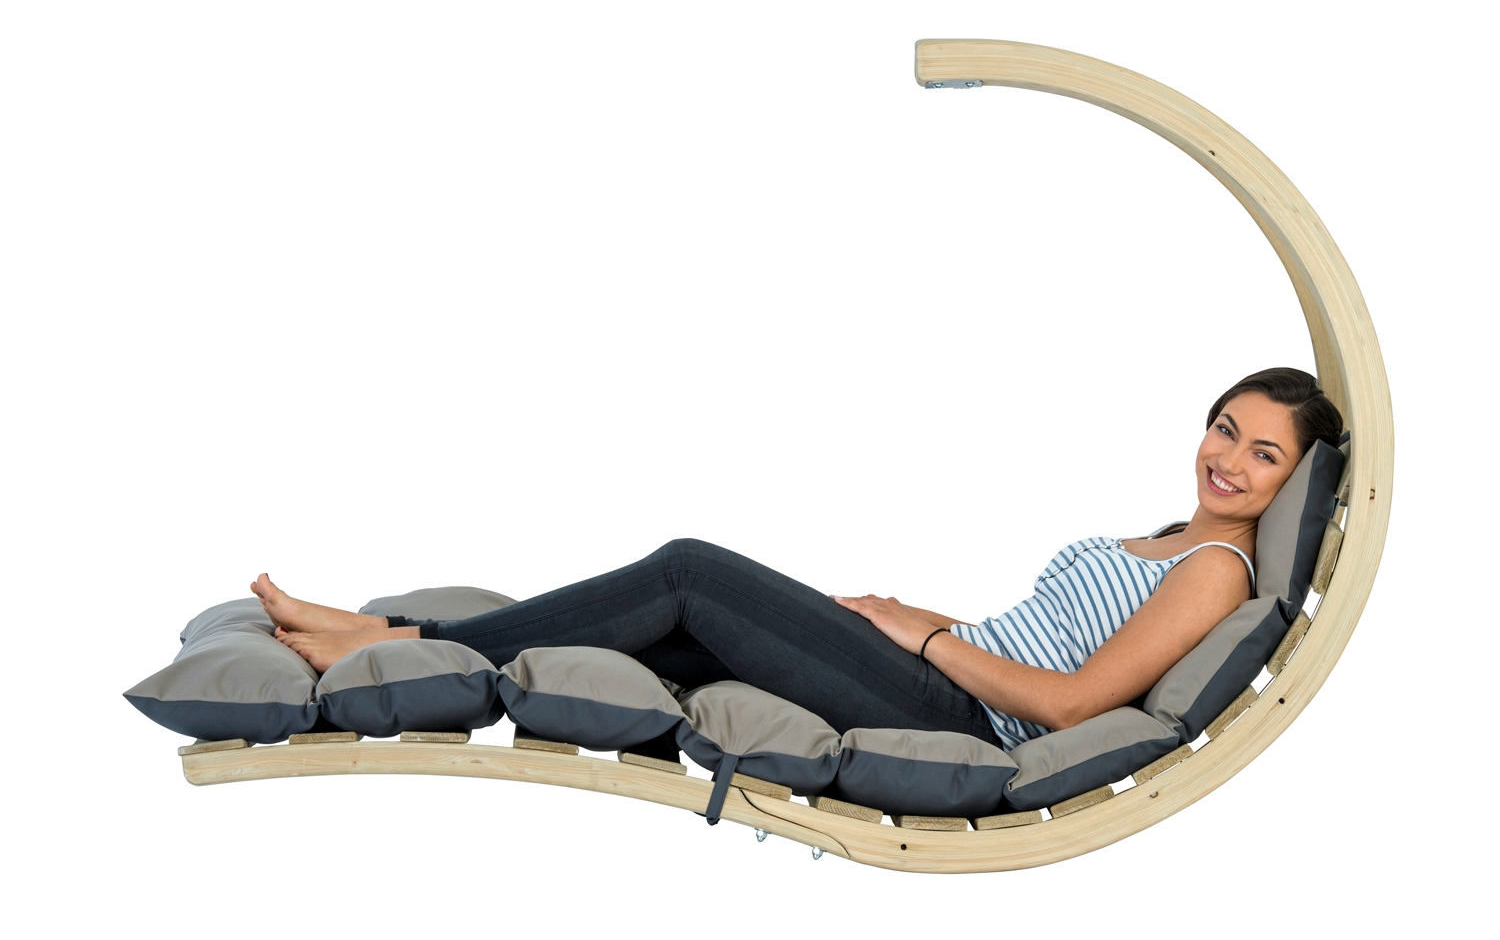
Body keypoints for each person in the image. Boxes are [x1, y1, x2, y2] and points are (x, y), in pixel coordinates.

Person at [256, 367, 1342, 752]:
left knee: (688, 572)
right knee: (669, 632)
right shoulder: (1172, 537)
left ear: (1292, 478)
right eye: (1225, 429)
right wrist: (914, 617)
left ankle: (399, 642)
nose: (1229, 460)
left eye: (1264, 454)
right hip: (942, 671)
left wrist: (925, 639)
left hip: (965, 716)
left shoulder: (1217, 571)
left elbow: (1066, 704)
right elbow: (1046, 641)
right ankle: (402, 641)